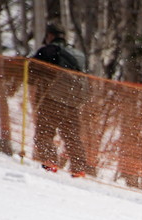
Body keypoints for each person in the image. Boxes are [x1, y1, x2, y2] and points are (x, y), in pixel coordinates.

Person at [30, 22, 94, 178]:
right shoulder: (79, 54)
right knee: (72, 136)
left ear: (50, 36)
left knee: (44, 132)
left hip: (51, 99)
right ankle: (79, 169)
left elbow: (31, 74)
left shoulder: (47, 51)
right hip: (73, 102)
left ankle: (50, 163)